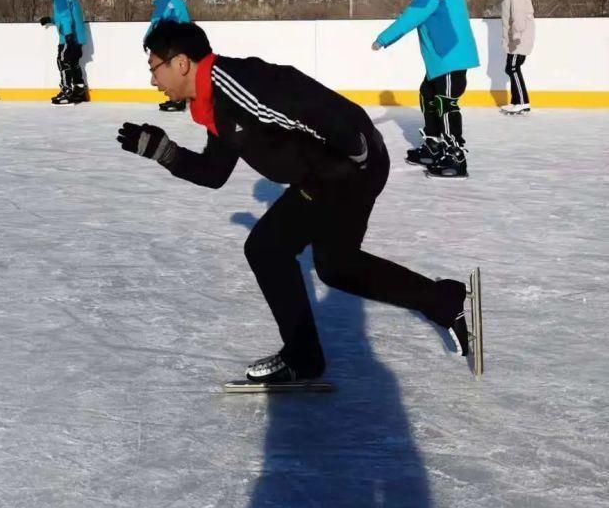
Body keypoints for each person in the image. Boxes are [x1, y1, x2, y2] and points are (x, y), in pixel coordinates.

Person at [117, 20, 472, 386]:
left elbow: (302, 99)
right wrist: (163, 151)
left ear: (181, 63)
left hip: (347, 165)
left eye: (154, 68)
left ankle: (304, 357)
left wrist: (355, 151)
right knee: (335, 265)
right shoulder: (212, 101)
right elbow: (214, 172)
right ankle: (443, 299)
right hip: (332, 171)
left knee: (267, 247)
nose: (152, 80)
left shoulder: (236, 85)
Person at [372, 0, 479, 179]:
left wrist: (383, 39)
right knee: (427, 95)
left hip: (450, 56)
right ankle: (434, 146)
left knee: (445, 104)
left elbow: (413, 15)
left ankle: (455, 156)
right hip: (441, 59)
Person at [494, 0, 535, 115]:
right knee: (512, 68)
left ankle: (522, 102)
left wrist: (516, 36)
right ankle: (517, 102)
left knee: (512, 68)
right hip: (517, 39)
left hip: (518, 39)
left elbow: (518, 18)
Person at [39, 0, 88, 104]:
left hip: (68, 36)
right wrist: (51, 20)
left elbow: (66, 18)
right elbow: (66, 17)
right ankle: (80, 91)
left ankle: (67, 91)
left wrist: (68, 36)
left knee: (62, 60)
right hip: (78, 36)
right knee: (73, 63)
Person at [146, 0, 191, 112]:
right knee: (177, 70)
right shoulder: (178, 0)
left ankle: (177, 100)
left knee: (169, 70)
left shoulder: (164, 0)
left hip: (172, 40)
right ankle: (179, 99)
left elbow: (156, 22)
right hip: (183, 38)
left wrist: (147, 38)